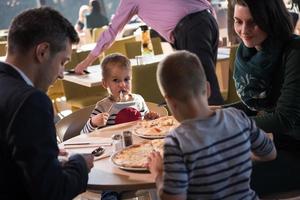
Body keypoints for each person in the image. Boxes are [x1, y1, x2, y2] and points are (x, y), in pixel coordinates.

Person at [146, 51, 276, 200]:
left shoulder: (176, 141)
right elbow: (270, 153)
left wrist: (158, 173)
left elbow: (174, 198)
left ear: (170, 102)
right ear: (208, 89)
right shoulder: (237, 117)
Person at [0, 7, 94, 199]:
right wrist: (80, 164)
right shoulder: (31, 102)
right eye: (62, 62)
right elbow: (52, 192)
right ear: (42, 52)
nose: (61, 74)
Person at [75, 0, 224, 105]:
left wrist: (86, 61)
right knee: (200, 88)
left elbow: (112, 31)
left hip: (192, 30)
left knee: (204, 91)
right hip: (206, 21)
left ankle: (222, 141)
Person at [228, 0, 300, 196]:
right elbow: (257, 104)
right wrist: (217, 112)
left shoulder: (295, 51)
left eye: (253, 22)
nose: (244, 30)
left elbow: (283, 119)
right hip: (281, 145)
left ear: (271, 20)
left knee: (224, 177)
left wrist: (227, 124)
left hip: (296, 152)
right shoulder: (252, 51)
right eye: (238, 21)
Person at [81, 53, 159, 134]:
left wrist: (150, 118)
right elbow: (83, 134)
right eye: (116, 80)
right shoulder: (102, 107)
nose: (122, 84)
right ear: (105, 83)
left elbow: (146, 124)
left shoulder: (139, 100)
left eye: (126, 79)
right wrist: (93, 123)